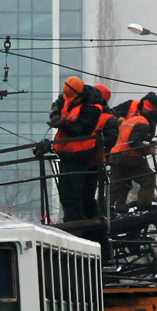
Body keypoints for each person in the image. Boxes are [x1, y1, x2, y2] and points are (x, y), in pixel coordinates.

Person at [49, 76, 105, 222]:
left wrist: (62, 123)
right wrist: (55, 115)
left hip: (79, 154)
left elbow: (81, 130)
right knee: (66, 191)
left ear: (81, 95)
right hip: (67, 152)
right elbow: (57, 103)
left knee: (72, 192)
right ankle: (73, 218)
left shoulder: (92, 108)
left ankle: (75, 221)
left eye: (73, 99)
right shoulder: (70, 96)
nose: (70, 101)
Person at [108, 108, 157, 214]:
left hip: (116, 157)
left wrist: (147, 142)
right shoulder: (144, 124)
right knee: (148, 178)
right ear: (154, 121)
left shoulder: (134, 119)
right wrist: (147, 149)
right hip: (129, 158)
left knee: (115, 188)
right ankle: (144, 206)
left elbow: (129, 138)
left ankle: (101, 210)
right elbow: (133, 141)